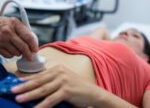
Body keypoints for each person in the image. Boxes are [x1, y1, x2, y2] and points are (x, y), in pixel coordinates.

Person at [1, 17, 150, 108]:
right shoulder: (94, 42)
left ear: (145, 57)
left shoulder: (146, 70)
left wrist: (95, 94)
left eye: (135, 36)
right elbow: (102, 29)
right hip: (4, 71)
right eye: (123, 31)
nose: (125, 33)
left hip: (44, 98)